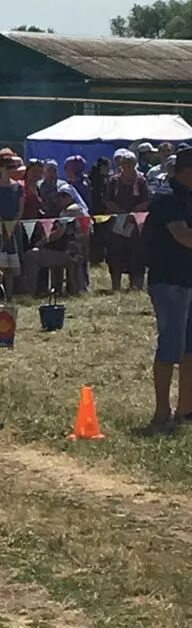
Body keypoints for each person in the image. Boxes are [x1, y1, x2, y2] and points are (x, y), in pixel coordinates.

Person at [144, 146, 192, 431]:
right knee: (170, 347)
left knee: (191, 348)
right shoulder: (168, 200)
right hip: (170, 282)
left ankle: (185, 409)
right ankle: (162, 411)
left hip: (189, 279)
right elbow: (183, 236)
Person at [104, 150, 149, 292]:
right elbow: (107, 200)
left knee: (136, 254)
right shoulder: (114, 181)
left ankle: (135, 286)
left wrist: (134, 212)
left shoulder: (141, 181)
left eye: (129, 164)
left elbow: (147, 200)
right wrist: (120, 212)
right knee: (115, 254)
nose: (126, 167)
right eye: (124, 164)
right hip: (118, 222)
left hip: (136, 223)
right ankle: (115, 286)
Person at [0, 155, 24, 299]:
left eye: (13, 167)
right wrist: (2, 226)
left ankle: (9, 294)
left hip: (14, 228)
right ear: (0, 168)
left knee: (11, 262)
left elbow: (20, 208)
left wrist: (13, 224)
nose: (11, 170)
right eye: (8, 167)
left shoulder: (18, 187)